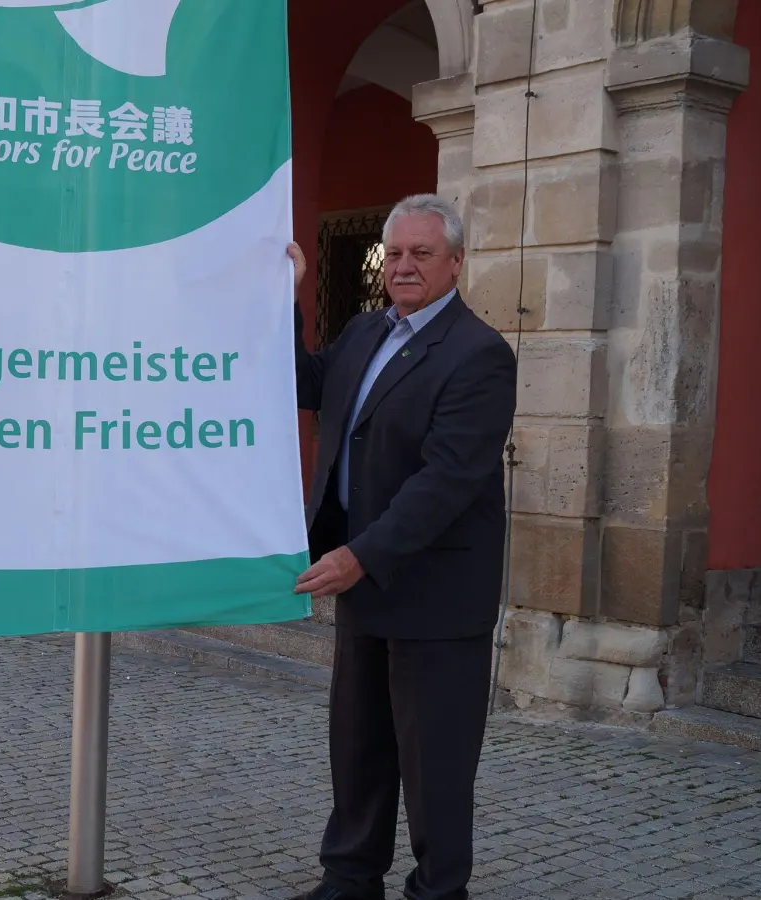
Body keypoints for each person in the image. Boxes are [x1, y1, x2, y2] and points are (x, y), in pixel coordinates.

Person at [286, 194, 517, 900]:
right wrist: (283, 301)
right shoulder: (364, 331)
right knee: (358, 747)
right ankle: (350, 879)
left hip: (434, 592)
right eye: (396, 253)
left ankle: (439, 890)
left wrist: (362, 556)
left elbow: (445, 482)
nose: (406, 266)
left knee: (434, 762)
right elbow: (303, 382)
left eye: (423, 253)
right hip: (365, 578)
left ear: (455, 262)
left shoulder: (480, 355)